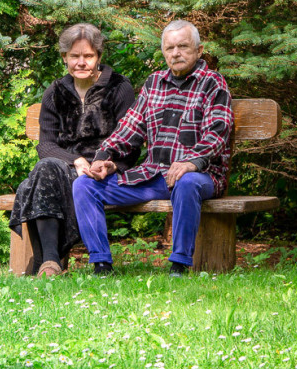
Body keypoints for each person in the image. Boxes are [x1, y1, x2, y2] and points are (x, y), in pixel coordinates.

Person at [73, 20, 234, 277]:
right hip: (155, 175)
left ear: (199, 50)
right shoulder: (154, 82)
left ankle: (179, 265)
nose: (176, 53)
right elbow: (130, 126)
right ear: (163, 52)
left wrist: (191, 163)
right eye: (170, 48)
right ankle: (102, 264)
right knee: (84, 185)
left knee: (187, 182)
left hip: (201, 177)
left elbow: (218, 133)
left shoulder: (212, 83)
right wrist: (104, 156)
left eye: (183, 46)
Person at [9, 23, 137, 277]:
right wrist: (75, 160)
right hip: (65, 168)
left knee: (32, 183)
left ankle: (47, 261)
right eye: (74, 56)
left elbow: (129, 141)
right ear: (64, 57)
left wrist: (104, 164)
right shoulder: (55, 93)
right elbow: (45, 145)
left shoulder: (119, 87)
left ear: (99, 57)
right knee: (46, 169)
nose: (81, 62)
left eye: (88, 56)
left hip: (106, 172)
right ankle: (52, 262)